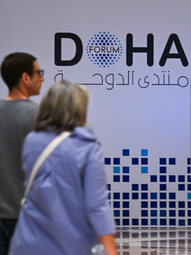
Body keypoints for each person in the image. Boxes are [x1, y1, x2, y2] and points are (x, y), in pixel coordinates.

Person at [9, 81, 118, 255]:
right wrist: (111, 251)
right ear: (79, 109)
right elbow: (96, 206)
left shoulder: (32, 141)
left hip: (28, 243)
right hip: (70, 245)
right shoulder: (87, 147)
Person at [0, 52, 44, 255]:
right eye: (38, 73)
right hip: (28, 218)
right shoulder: (39, 116)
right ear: (25, 78)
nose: (42, 78)